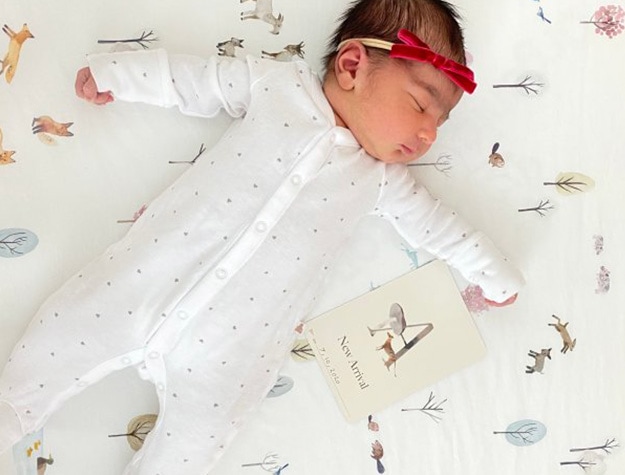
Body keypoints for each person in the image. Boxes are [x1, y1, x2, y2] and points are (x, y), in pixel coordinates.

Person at [0, 0, 524, 473]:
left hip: (232, 351)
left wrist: (493, 275)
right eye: (420, 104)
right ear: (352, 66)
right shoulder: (278, 88)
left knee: (196, 444)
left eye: (442, 120)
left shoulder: (381, 181)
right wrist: (122, 74)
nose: (431, 132)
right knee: (63, 334)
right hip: (141, 282)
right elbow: (195, 80)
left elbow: (442, 229)